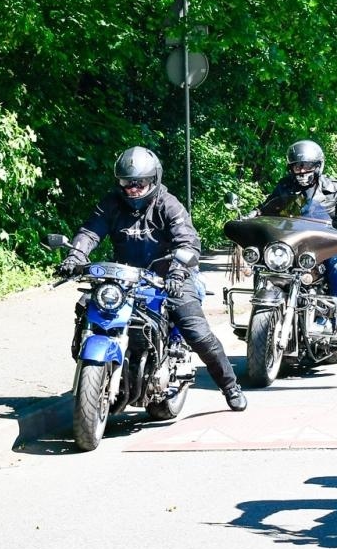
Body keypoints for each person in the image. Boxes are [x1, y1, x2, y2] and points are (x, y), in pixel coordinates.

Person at [56, 147, 248, 411]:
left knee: (197, 332)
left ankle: (230, 387)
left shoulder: (168, 204)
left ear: (153, 179)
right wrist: (75, 257)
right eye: (126, 183)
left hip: (169, 277)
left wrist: (178, 270)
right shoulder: (111, 203)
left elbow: (188, 241)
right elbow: (91, 231)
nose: (132, 189)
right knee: (89, 308)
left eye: (139, 183)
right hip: (124, 279)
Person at [252, 139, 337, 327]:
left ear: (318, 166)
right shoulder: (285, 186)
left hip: (325, 244)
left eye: (307, 166)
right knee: (262, 265)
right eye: (297, 166)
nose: (302, 170)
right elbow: (266, 208)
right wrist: (252, 215)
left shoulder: (333, 188)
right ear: (291, 168)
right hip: (293, 244)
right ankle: (261, 309)